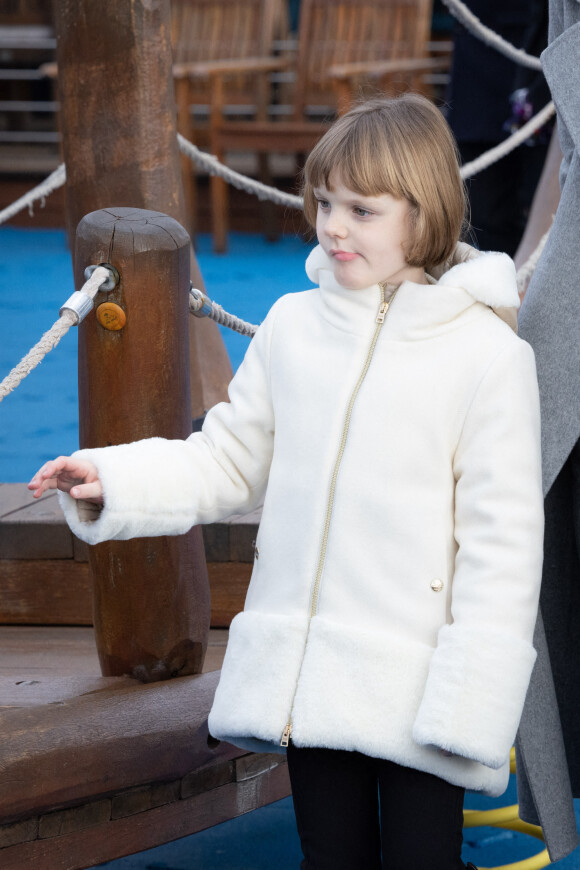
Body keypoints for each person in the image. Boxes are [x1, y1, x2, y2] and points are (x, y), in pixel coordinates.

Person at [28, 95, 544, 870]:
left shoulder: (487, 356)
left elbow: (502, 545)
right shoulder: (294, 327)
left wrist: (472, 697)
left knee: (420, 861)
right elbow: (225, 460)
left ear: (425, 211)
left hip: (424, 681)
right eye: (325, 202)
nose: (333, 225)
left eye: (362, 210)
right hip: (313, 678)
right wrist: (112, 477)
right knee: (329, 858)